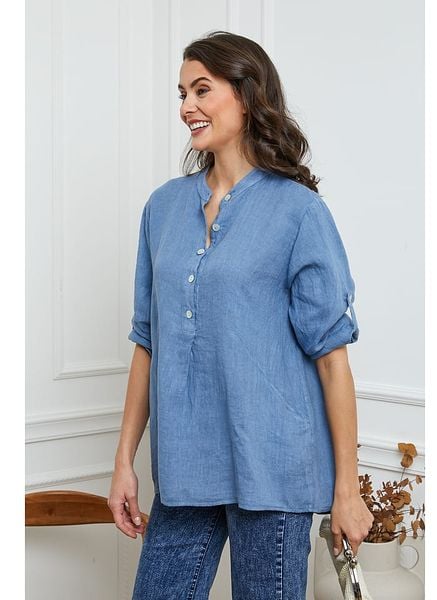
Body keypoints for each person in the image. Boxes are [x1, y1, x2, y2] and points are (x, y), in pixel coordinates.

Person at [108, 30, 374, 600]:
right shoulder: (163, 208)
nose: (187, 106)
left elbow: (333, 361)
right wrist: (123, 461)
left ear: (247, 96)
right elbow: (147, 342)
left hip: (274, 470)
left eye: (202, 90)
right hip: (185, 468)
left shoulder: (299, 212)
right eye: (182, 93)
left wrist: (347, 491)